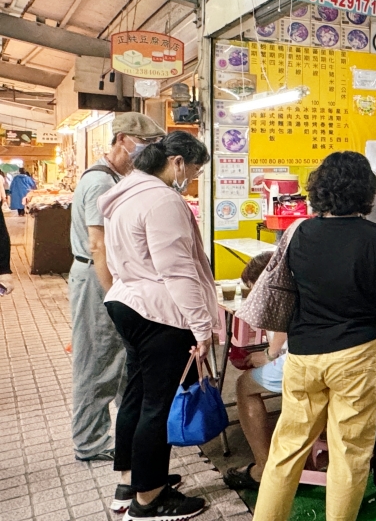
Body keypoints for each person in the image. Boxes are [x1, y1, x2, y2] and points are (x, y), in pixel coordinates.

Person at [253, 152, 376, 521]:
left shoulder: (297, 233)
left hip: (305, 355)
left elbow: (286, 295)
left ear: (319, 189)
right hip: (356, 357)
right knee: (349, 453)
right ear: (366, 192)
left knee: (287, 449)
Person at [100, 131, 217, 520]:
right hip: (158, 312)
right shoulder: (163, 199)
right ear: (178, 162)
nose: (192, 179)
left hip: (127, 302)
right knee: (157, 404)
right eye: (195, 171)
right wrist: (202, 328)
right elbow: (178, 270)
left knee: (136, 394)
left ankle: (130, 481)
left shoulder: (125, 194)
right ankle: (149, 501)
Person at [69, 112, 166, 463]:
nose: (150, 151)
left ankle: (132, 432)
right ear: (123, 139)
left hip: (107, 278)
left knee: (122, 362)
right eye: (147, 143)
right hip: (97, 279)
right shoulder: (100, 182)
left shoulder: (115, 177)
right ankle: (90, 442)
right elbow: (99, 246)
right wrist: (112, 296)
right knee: (96, 362)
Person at [222, 250, 284, 491]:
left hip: (301, 365)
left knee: (244, 385)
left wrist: (268, 355)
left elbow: (284, 330)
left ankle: (263, 467)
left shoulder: (279, 293)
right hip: (339, 360)